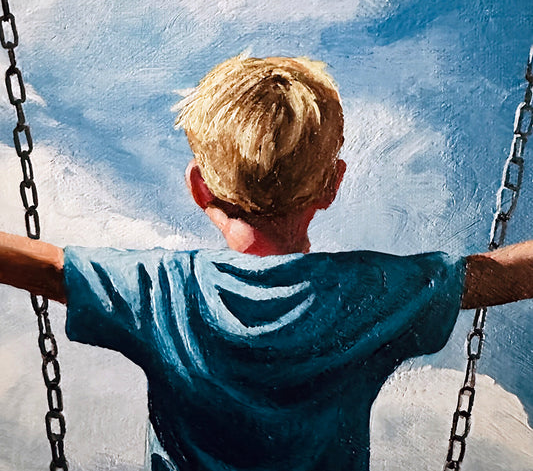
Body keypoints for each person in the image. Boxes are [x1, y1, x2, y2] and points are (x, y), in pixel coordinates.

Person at [0, 55, 531, 471]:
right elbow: (500, 276)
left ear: (198, 186)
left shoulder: (161, 290)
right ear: (332, 185)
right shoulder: (370, 294)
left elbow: (46, 268)